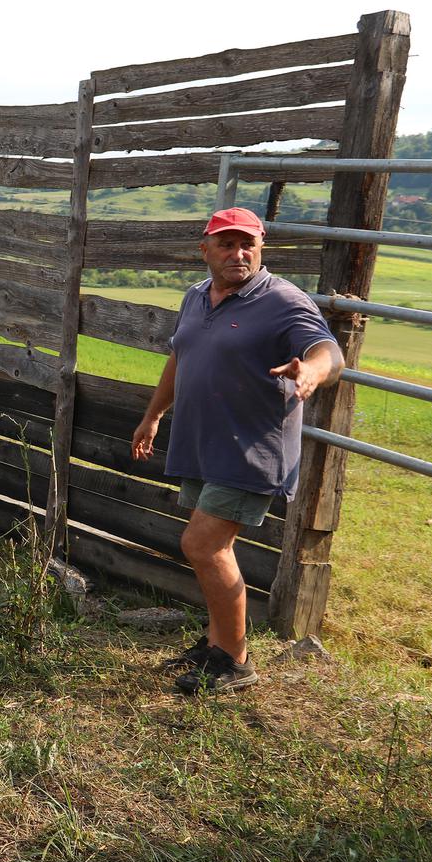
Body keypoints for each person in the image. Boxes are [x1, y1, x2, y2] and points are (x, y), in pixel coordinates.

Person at [131, 207, 344, 694]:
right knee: (212, 549)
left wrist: (312, 371)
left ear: (261, 247)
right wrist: (154, 415)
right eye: (226, 244)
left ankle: (234, 661)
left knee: (203, 544)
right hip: (204, 444)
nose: (238, 253)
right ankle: (217, 642)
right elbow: (181, 356)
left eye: (247, 243)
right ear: (204, 250)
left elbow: (328, 351)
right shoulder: (196, 297)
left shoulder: (283, 301)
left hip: (251, 450)